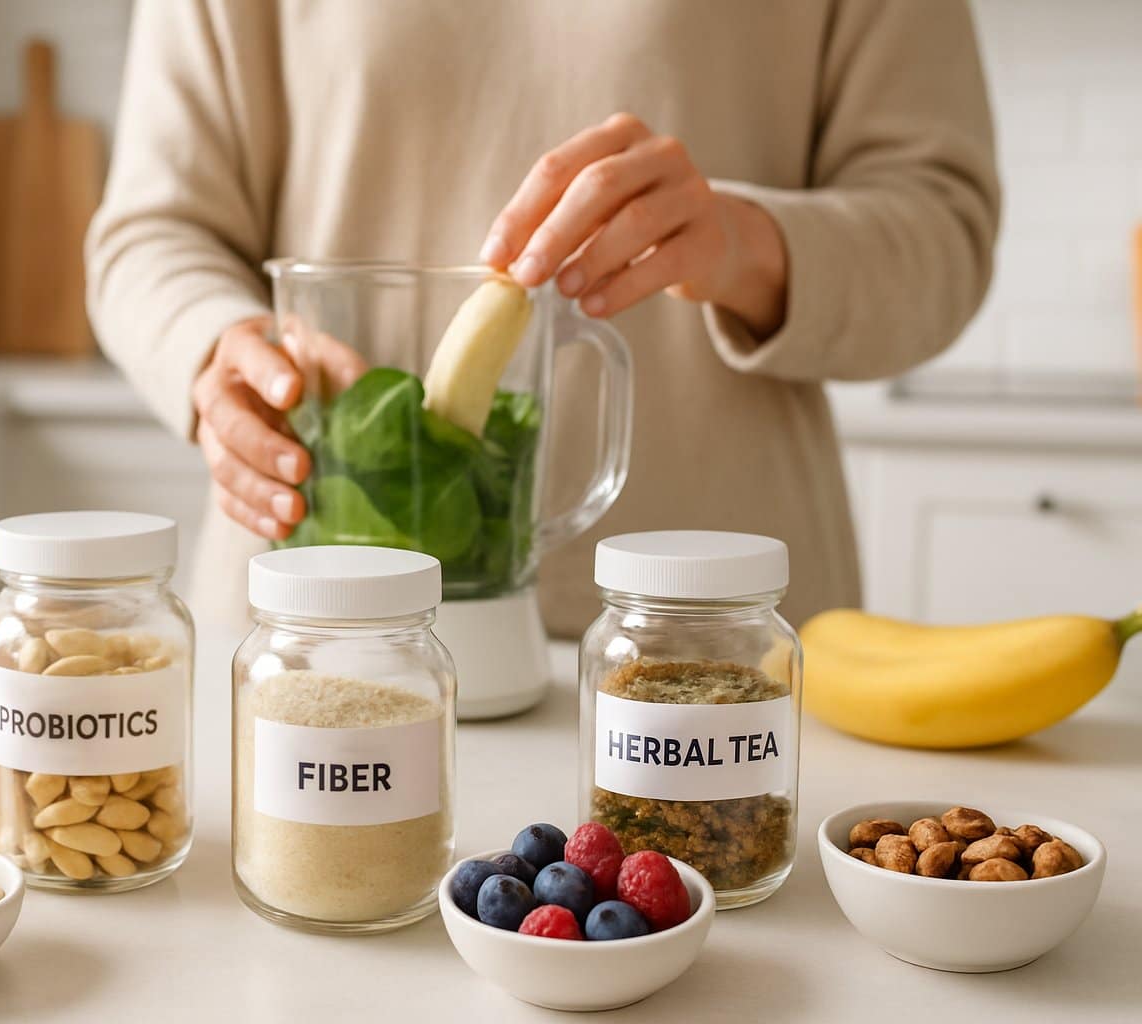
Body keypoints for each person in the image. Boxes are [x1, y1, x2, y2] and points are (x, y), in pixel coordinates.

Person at [86, 0, 999, 634]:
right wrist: (215, 350)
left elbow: (946, 231)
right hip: (310, 623)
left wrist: (743, 241)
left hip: (711, 636)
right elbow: (151, 232)